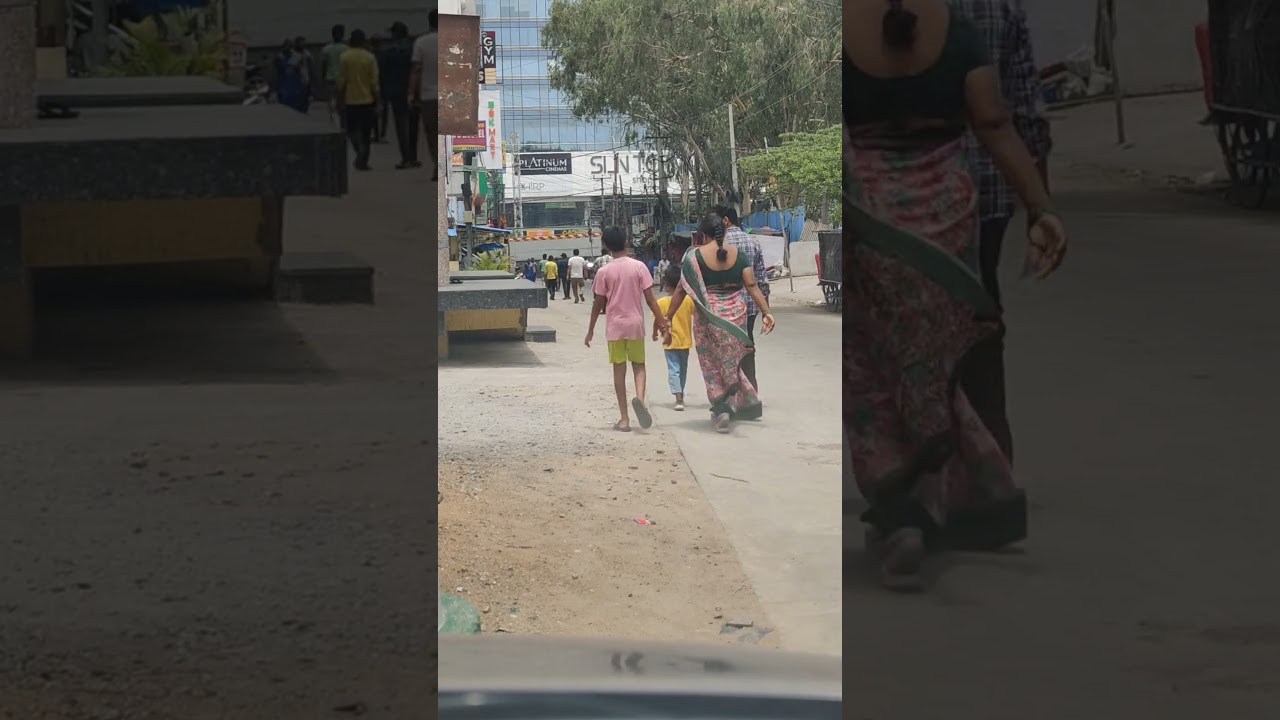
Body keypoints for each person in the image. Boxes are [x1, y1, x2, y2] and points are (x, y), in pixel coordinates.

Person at [843, 0, 1066, 590]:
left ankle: (905, 513)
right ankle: (959, 496)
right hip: (948, 224)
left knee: (871, 373)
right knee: (936, 369)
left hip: (871, 226)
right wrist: (1040, 208)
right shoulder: (958, 33)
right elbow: (996, 125)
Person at [952, 0, 1051, 465]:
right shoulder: (1001, 6)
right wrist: (1039, 206)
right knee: (981, 316)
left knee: (911, 327)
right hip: (987, 195)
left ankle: (921, 468)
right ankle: (993, 457)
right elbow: (1025, 110)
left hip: (902, 203)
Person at [663, 212, 774, 434]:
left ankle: (723, 406)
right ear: (723, 231)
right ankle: (743, 402)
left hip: (707, 315)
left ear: (702, 235)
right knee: (731, 360)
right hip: (736, 315)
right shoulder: (739, 255)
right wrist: (766, 312)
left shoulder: (694, 257)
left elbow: (680, 289)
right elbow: (752, 286)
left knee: (711, 363)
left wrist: (668, 316)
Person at [586, 227, 670, 432]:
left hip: (615, 326)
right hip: (635, 324)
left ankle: (624, 419)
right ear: (626, 242)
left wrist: (590, 330)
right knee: (639, 365)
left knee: (619, 369)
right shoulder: (639, 267)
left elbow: (598, 304)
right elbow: (651, 300)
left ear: (605, 246)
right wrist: (663, 323)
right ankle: (639, 399)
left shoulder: (604, 271)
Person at [715, 204, 769, 392]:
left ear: (725, 221)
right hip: (751, 306)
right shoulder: (753, 242)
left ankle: (733, 390)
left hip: (726, 306)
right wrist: (766, 310)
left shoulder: (718, 244)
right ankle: (751, 388)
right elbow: (761, 279)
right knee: (747, 344)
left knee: (727, 348)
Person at [378, 21, 421, 169]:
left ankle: (406, 158)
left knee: (401, 125)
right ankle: (413, 157)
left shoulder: (388, 51)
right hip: (413, 90)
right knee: (414, 124)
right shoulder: (413, 48)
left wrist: (383, 93)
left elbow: (382, 73)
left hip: (396, 91)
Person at [337, 30, 379, 171]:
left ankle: (359, 152)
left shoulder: (344, 57)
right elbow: (374, 82)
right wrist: (378, 101)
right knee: (366, 133)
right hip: (367, 100)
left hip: (350, 100)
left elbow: (341, 81)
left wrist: (340, 100)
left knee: (352, 131)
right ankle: (363, 160)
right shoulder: (370, 58)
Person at [653, 266, 693, 411]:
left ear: (666, 284)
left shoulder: (662, 302)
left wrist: (654, 333)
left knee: (673, 369)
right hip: (685, 341)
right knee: (683, 369)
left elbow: (657, 320)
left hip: (669, 342)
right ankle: (680, 393)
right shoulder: (688, 300)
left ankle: (678, 397)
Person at [410, 12, 439, 180]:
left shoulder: (421, 42)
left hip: (429, 96)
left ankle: (438, 164)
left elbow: (416, 70)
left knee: (432, 133)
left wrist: (410, 94)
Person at [320, 25, 348, 127]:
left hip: (330, 79)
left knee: (332, 104)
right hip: (342, 80)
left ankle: (334, 124)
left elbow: (324, 66)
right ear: (343, 35)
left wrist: (323, 79)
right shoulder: (346, 49)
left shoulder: (326, 49)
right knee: (343, 104)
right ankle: (343, 125)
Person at [273, 39, 309, 113]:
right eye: (287, 46)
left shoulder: (296, 57)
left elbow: (300, 70)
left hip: (294, 83)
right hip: (284, 82)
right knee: (285, 105)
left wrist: (303, 80)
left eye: (290, 47)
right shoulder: (279, 57)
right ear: (283, 47)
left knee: (297, 104)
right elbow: (277, 71)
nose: (288, 49)